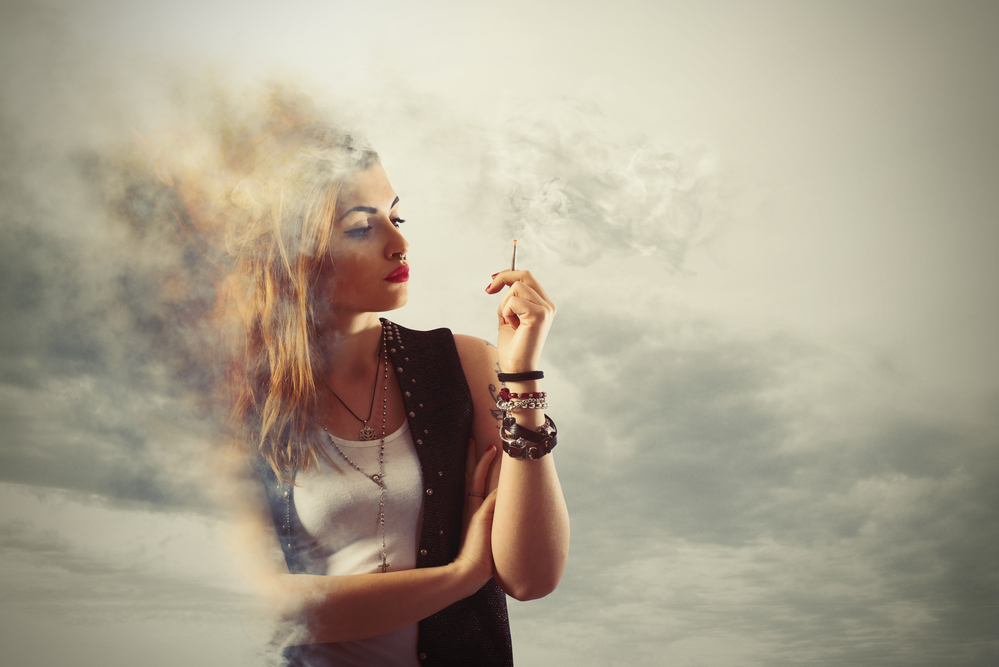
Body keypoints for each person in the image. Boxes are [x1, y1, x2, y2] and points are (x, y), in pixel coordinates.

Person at [215, 105, 570, 666]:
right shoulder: (243, 399)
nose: (398, 244)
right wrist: (461, 575)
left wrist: (522, 376)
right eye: (362, 226)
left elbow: (531, 577)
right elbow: (269, 608)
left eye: (397, 219)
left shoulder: (462, 365)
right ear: (294, 249)